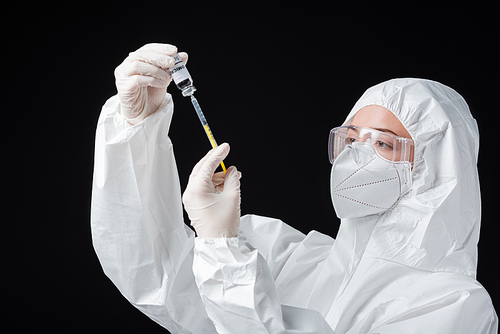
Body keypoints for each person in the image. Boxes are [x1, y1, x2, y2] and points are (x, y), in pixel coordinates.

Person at [91, 43, 498, 333]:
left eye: (383, 143)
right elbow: (160, 279)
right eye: (351, 138)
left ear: (436, 171)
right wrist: (135, 129)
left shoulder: (453, 304)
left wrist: (226, 255)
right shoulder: (289, 258)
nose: (357, 154)